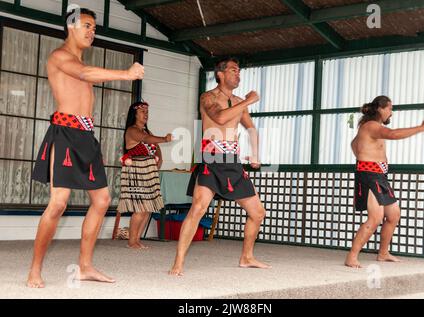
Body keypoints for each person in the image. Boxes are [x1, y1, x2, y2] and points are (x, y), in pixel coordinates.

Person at [27, 7, 145, 288]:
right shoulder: (59, 56)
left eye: (95, 28)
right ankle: (34, 270)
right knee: (58, 204)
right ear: (71, 27)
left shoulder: (78, 59)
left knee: (102, 201)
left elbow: (86, 73)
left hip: (86, 136)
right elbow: (86, 73)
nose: (92, 32)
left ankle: (85, 267)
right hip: (64, 134)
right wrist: (126, 75)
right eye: (87, 26)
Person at [169, 57, 270, 276]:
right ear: (220, 74)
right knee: (197, 209)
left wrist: (255, 154)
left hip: (232, 162)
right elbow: (221, 118)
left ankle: (247, 257)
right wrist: (248, 102)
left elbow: (251, 128)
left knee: (258, 212)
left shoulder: (238, 100)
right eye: (234, 70)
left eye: (239, 71)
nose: (238, 74)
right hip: (211, 160)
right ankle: (178, 262)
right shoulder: (209, 97)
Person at [345, 95, 424, 268]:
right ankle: (352, 257)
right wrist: (422, 128)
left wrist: (365, 156)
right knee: (375, 218)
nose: (391, 112)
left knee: (393, 215)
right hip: (370, 175)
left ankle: (383, 253)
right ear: (380, 108)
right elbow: (393, 134)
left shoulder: (367, 128)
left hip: (380, 176)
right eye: (390, 108)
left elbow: (353, 144)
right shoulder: (372, 126)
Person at [117, 101, 172, 249]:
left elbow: (155, 146)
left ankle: (136, 240)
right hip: (136, 171)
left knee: (148, 207)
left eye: (147, 112)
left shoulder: (147, 132)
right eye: (142, 112)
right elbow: (147, 140)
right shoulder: (132, 130)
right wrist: (164, 139)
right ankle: (131, 242)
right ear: (134, 114)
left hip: (148, 171)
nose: (146, 114)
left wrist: (159, 161)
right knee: (141, 208)